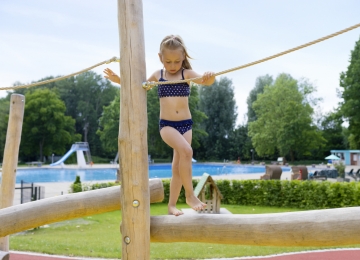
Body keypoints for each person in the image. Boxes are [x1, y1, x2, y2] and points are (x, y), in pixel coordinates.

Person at [104, 35, 215, 216]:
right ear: (160, 58)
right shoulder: (158, 75)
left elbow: (205, 81)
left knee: (178, 165)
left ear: (183, 58)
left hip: (186, 125)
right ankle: (189, 195)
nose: (172, 65)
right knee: (187, 152)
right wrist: (119, 80)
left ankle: (171, 206)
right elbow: (137, 86)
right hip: (168, 126)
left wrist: (210, 77)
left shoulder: (185, 74)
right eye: (168, 61)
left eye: (177, 61)